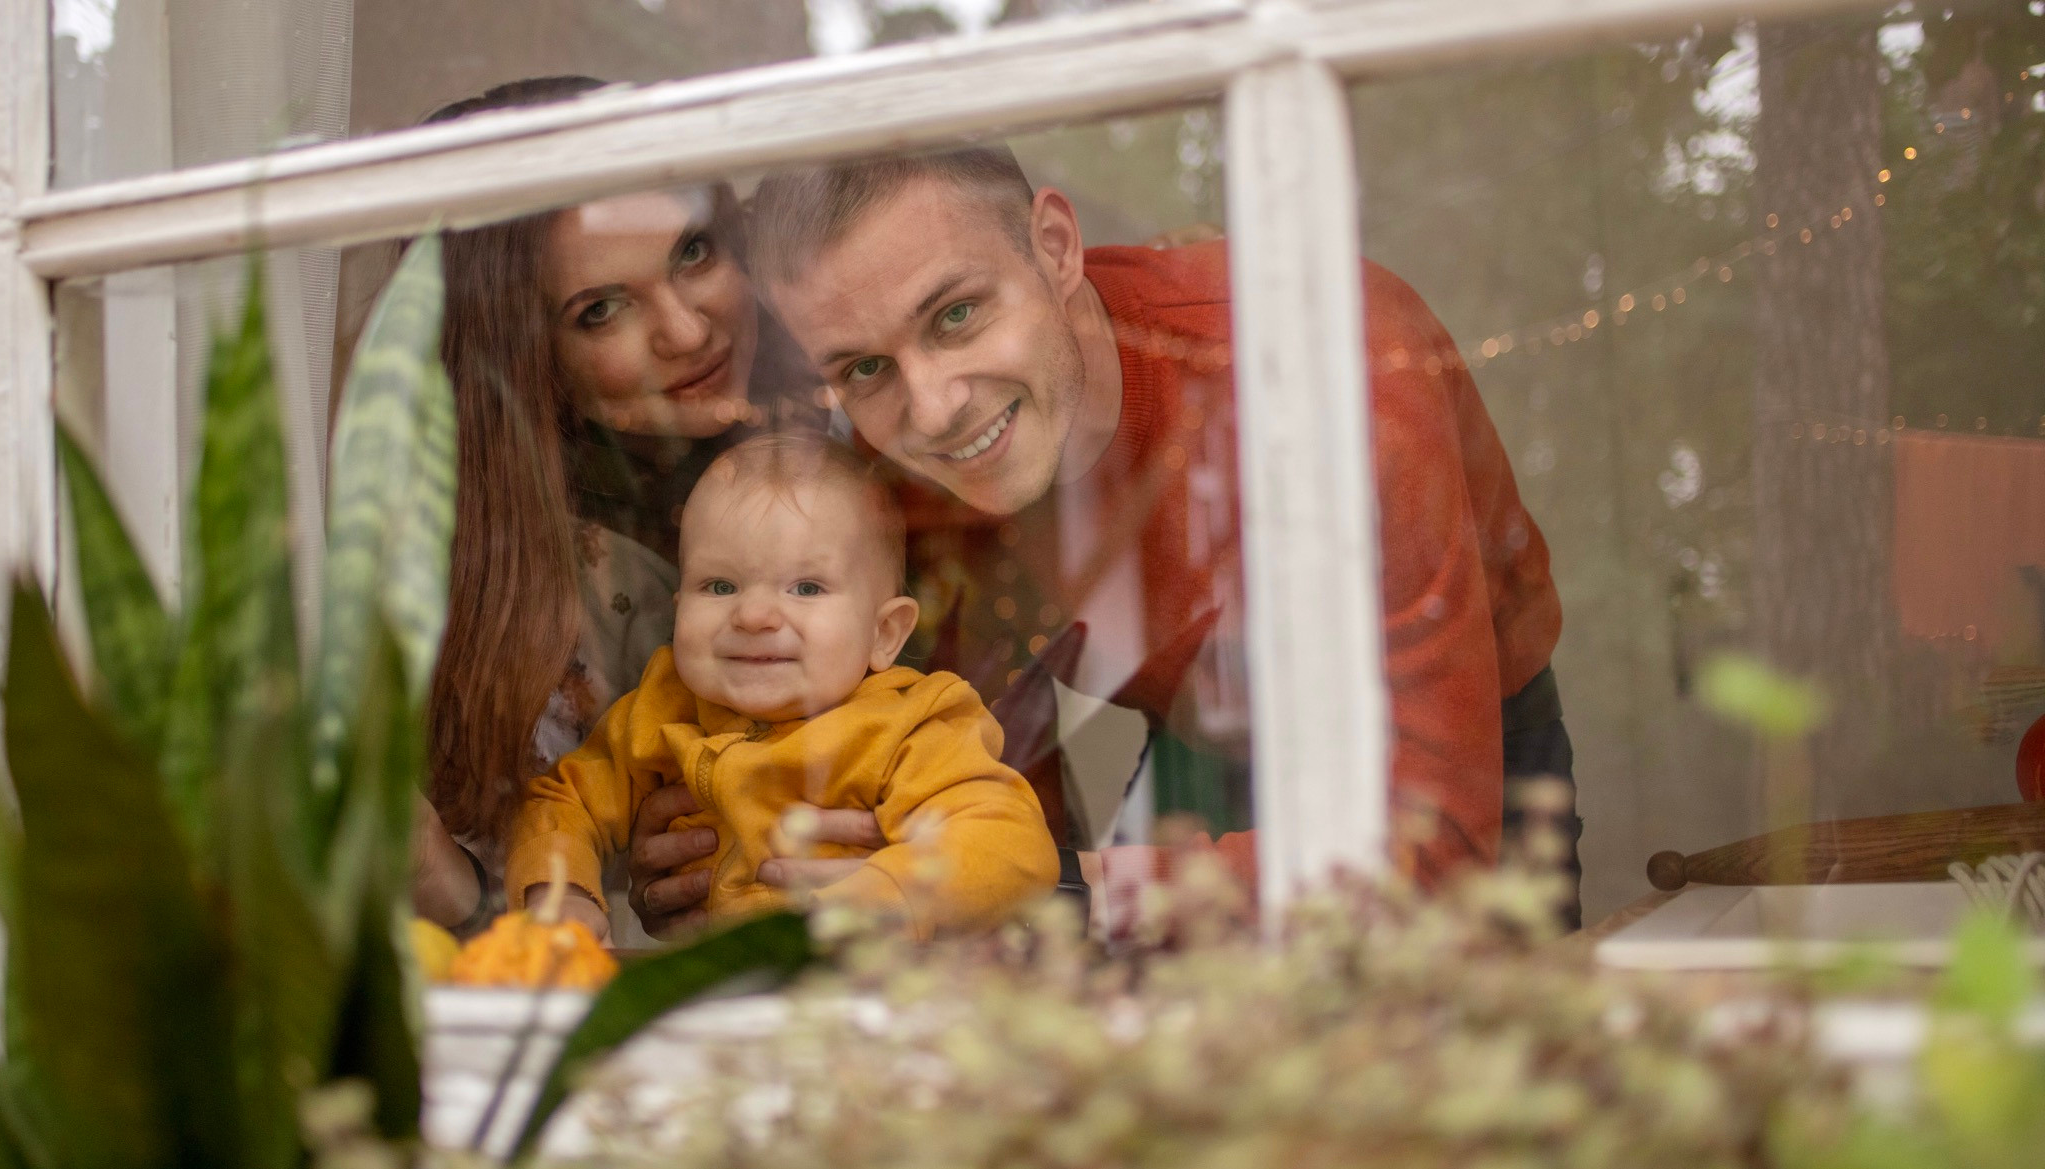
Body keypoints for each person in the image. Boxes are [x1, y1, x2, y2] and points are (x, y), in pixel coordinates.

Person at [626, 145, 1575, 935]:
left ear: (1055, 246)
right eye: (866, 368)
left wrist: (1055, 892)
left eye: (957, 315)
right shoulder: (898, 481)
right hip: (1193, 735)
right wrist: (730, 824)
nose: (934, 408)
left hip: (1446, 732)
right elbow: (968, 757)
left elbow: (1434, 852)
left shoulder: (1330, 371)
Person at [403, 76, 819, 935]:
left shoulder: (864, 407)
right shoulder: (511, 585)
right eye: (600, 310)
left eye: (694, 253)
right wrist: (634, 887)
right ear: (526, 359)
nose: (687, 331)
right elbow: (514, 928)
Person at [505, 432, 1057, 939]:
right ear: (678, 610)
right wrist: (562, 894)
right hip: (709, 993)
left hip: (863, 990)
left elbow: (1007, 839)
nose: (754, 615)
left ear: (884, 633)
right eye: (719, 586)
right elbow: (562, 801)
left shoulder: (909, 726)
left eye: (806, 588)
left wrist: (887, 897)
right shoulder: (661, 710)